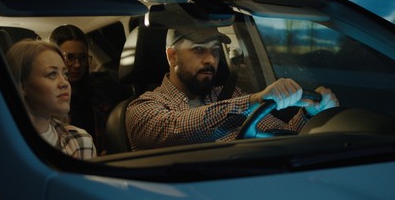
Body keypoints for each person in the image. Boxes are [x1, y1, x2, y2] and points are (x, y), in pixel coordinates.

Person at [126, 26, 339, 151]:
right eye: (198, 49)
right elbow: (178, 129)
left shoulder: (232, 95)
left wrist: (309, 113)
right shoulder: (142, 108)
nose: (210, 59)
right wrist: (254, 101)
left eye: (215, 50)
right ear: (172, 56)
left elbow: (283, 136)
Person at [5, 39, 97, 159]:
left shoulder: (81, 141)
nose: (64, 83)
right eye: (52, 74)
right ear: (22, 86)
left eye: (65, 74)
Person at [49, 24, 129, 155]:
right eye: (69, 58)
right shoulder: (47, 101)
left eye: (82, 58)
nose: (77, 65)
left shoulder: (104, 93)